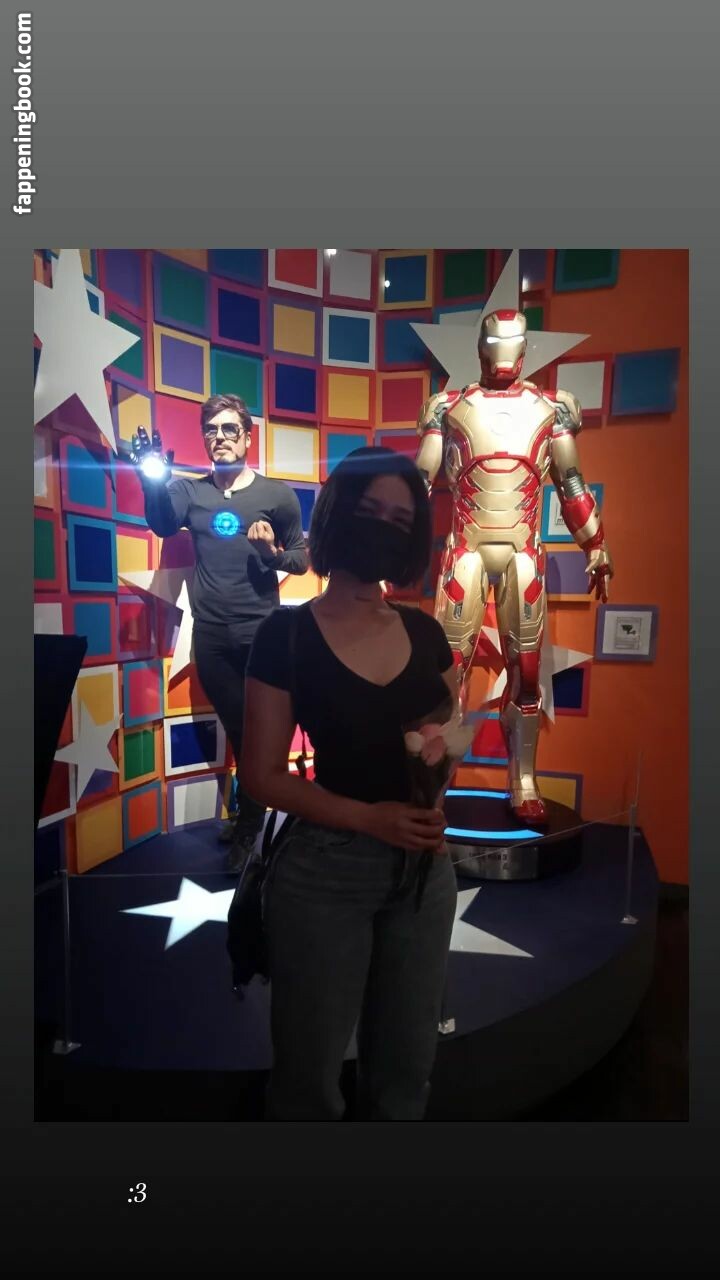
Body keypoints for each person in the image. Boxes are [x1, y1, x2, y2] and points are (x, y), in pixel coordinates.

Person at [240, 447, 459, 1121]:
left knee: (406, 1071)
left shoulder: (427, 634)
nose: (383, 528)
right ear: (338, 514)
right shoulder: (285, 635)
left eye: (400, 519)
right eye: (370, 511)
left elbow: (444, 743)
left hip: (424, 873)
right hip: (324, 875)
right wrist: (369, 819)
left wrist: (438, 773)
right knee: (308, 1079)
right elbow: (262, 776)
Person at [130, 394, 309, 871]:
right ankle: (249, 814)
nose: (221, 438)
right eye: (212, 430)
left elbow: (301, 559)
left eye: (230, 429)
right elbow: (162, 524)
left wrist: (272, 555)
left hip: (261, 635)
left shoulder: (276, 496)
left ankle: (249, 827)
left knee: (254, 732)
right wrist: (152, 481)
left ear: (248, 437)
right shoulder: (190, 492)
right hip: (211, 637)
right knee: (238, 728)